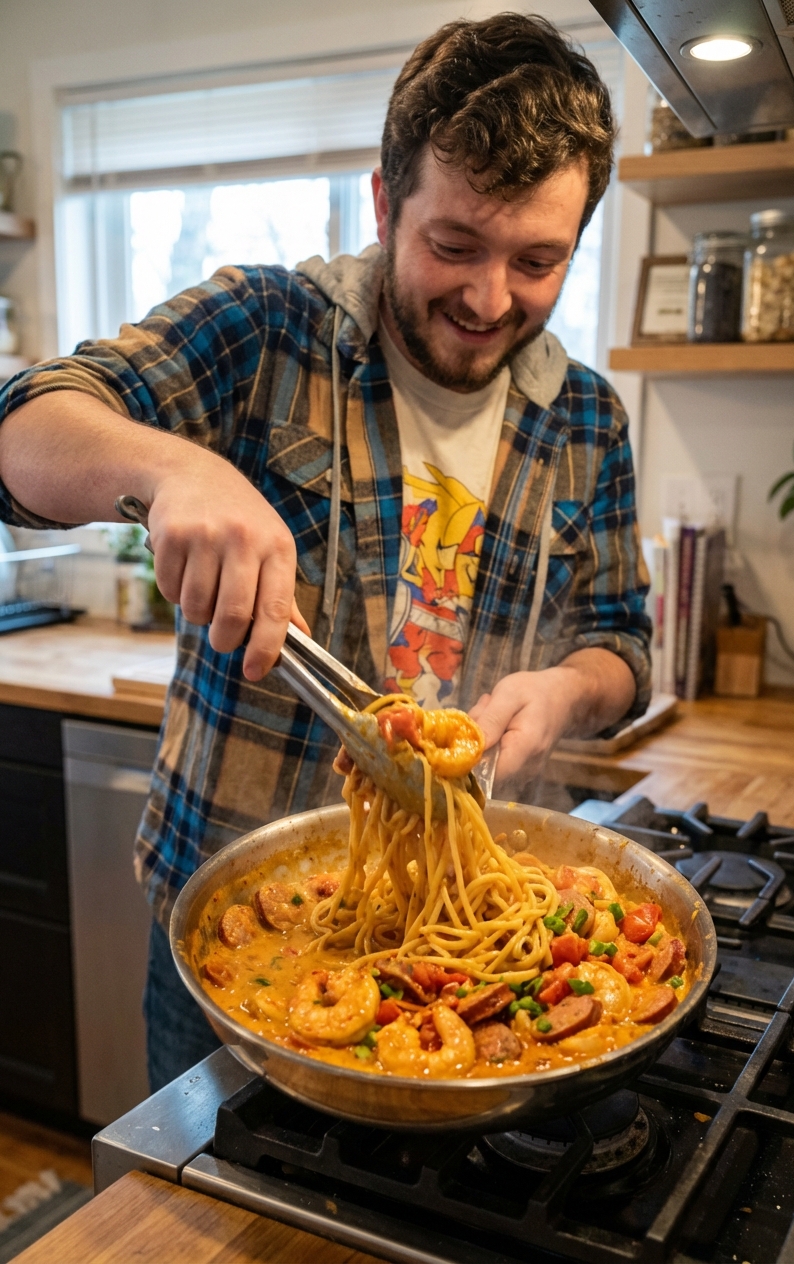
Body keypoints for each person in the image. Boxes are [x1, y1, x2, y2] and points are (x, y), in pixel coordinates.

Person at [0, 14, 650, 1090]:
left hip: (464, 986)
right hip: (241, 947)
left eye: (537, 260)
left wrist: (560, 690)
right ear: (385, 204)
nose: (491, 300)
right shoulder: (268, 330)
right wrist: (172, 470)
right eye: (453, 246)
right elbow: (22, 428)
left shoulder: (586, 419)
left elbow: (623, 642)